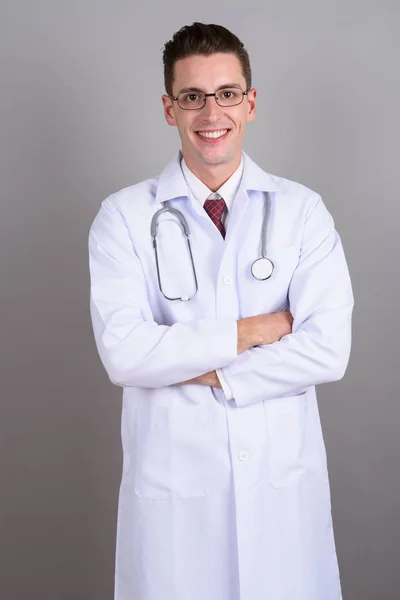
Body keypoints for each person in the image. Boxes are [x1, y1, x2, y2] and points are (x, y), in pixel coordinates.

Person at [88, 22, 354, 600]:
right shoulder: (123, 218)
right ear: (170, 108)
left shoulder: (302, 212)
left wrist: (190, 360)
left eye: (228, 93)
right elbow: (125, 354)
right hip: (177, 502)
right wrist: (255, 331)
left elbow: (328, 350)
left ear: (250, 102)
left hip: (279, 493)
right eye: (193, 97)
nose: (212, 112)